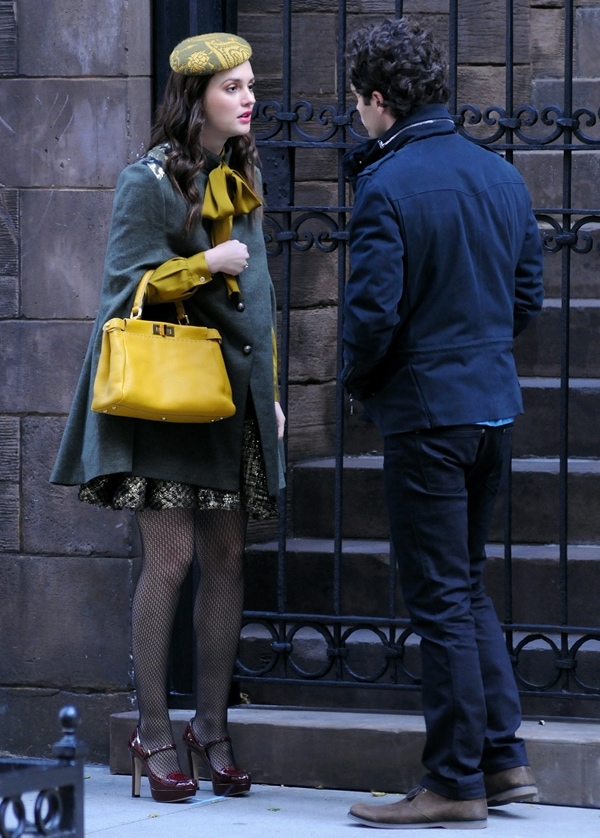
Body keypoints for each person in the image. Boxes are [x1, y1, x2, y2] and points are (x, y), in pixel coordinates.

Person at [51, 32, 285, 803]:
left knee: (226, 561)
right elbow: (123, 292)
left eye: (251, 85)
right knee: (173, 560)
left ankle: (210, 728)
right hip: (165, 397)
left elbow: (266, 304)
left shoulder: (241, 172)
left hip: (230, 398)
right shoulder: (145, 181)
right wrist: (203, 266)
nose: (248, 97)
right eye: (233, 88)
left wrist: (273, 393)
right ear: (195, 99)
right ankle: (154, 733)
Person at [341, 18, 544, 830]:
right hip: (491, 405)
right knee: (464, 586)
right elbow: (525, 301)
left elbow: (371, 319)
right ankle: (503, 760)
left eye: (358, 103)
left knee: (439, 597)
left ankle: (454, 781)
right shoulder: (502, 175)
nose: (358, 117)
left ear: (381, 101)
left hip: (426, 415)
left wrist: (361, 382)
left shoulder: (387, 186)